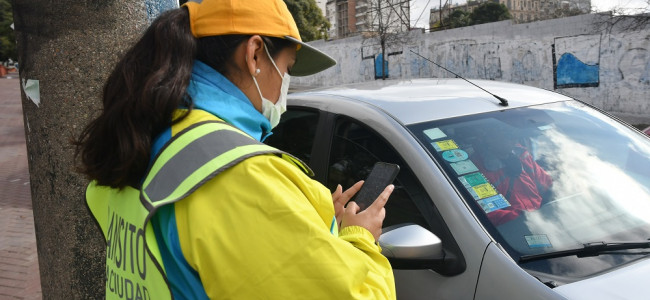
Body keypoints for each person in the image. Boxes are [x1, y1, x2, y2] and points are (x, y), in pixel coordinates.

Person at [74, 1, 396, 299]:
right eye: (288, 67)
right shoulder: (242, 175)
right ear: (255, 54)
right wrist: (359, 238)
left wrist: (313, 223)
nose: (285, 83)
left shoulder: (156, 132)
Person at [474, 129, 552, 226]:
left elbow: (547, 184)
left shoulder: (521, 154)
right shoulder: (478, 171)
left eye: (514, 133)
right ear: (490, 139)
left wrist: (553, 200)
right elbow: (489, 212)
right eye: (507, 134)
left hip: (544, 220)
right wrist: (523, 218)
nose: (514, 138)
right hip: (516, 227)